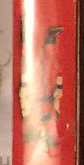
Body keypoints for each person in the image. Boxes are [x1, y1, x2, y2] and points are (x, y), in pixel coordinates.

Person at [19, 24, 65, 156]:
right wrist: (58, 86)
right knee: (48, 63)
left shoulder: (31, 119)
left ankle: (27, 33)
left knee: (31, 60)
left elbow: (24, 101)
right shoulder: (48, 121)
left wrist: (25, 86)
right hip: (44, 90)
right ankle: (50, 37)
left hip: (37, 90)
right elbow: (56, 105)